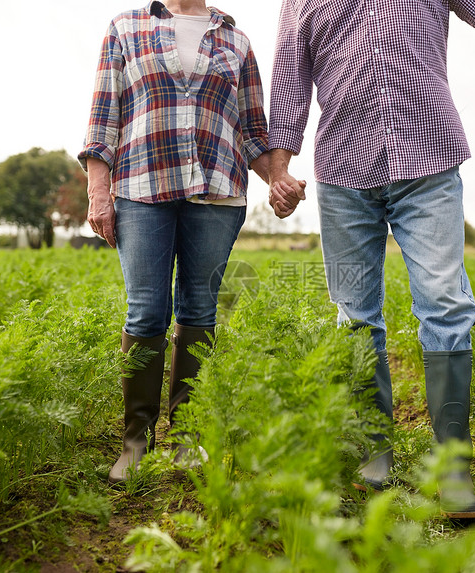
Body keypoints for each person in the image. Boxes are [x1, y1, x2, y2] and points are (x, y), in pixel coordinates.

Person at [267, 1, 475, 518]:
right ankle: (372, 456)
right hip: (342, 173)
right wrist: (278, 168)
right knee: (355, 316)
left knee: (446, 304)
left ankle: (452, 467)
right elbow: (290, 75)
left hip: (428, 164)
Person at [79, 0, 301, 484]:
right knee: (144, 310)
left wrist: (277, 179)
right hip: (141, 187)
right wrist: (99, 193)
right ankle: (136, 440)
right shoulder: (125, 27)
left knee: (199, 310)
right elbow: (103, 120)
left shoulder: (236, 41)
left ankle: (186, 439)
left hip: (217, 191)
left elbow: (251, 132)